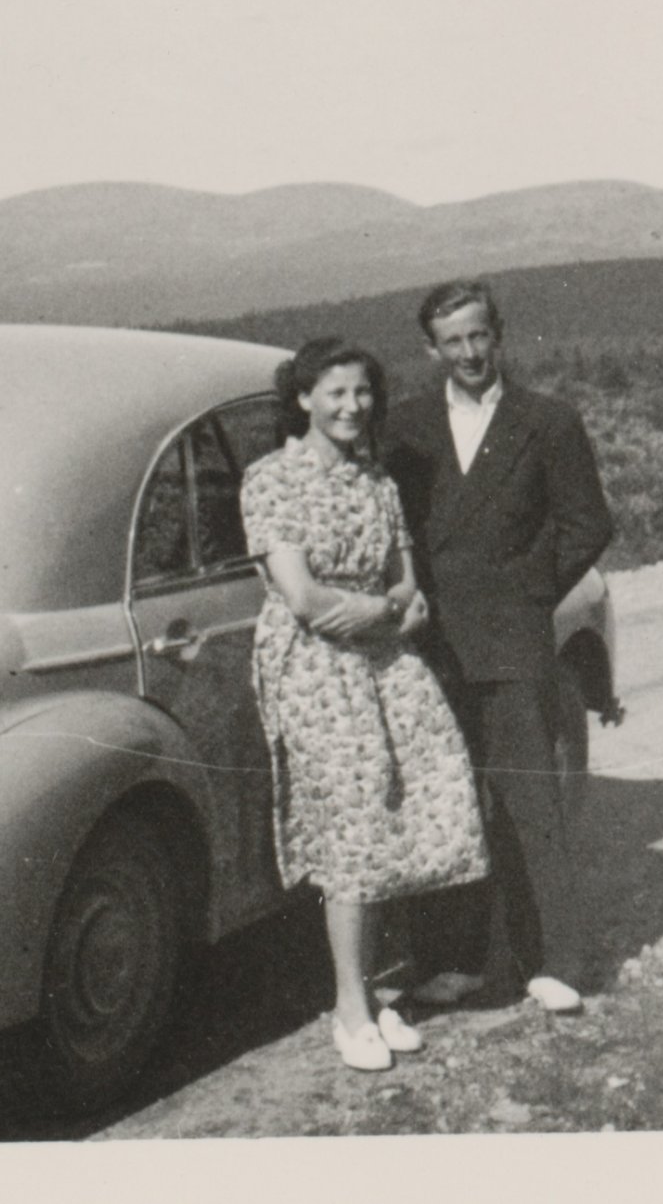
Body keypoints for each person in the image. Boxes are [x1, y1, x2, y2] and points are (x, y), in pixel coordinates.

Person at [239, 336, 491, 1071]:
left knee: (410, 800)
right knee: (351, 821)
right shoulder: (272, 479)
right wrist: (385, 609)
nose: (352, 406)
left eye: (362, 392)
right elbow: (304, 599)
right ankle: (350, 1008)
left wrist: (391, 606)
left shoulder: (377, 481)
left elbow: (405, 581)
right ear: (303, 398)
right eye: (336, 393)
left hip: (382, 658)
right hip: (315, 667)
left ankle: (377, 991)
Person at [384, 279, 614, 1014]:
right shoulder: (405, 426)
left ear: (500, 334)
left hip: (512, 641)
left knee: (526, 800)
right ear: (432, 350)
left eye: (479, 335)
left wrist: (528, 592)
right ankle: (453, 962)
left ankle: (552, 961)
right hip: (429, 645)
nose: (469, 352)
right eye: (452, 341)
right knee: (443, 802)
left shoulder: (547, 421)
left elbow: (588, 522)